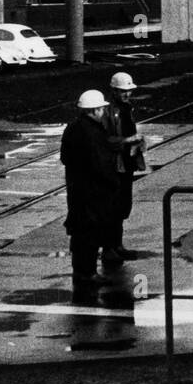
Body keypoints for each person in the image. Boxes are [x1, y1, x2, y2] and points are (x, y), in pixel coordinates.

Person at [61, 89, 122, 301]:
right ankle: (88, 273)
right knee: (91, 233)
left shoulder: (73, 128)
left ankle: (82, 271)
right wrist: (113, 182)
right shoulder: (93, 132)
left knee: (80, 231)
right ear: (94, 110)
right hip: (94, 191)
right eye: (102, 109)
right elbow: (100, 163)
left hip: (76, 188)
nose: (104, 112)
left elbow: (64, 157)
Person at [102, 71, 146, 266]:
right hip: (115, 165)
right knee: (112, 207)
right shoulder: (109, 112)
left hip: (126, 163)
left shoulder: (127, 109)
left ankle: (116, 245)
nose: (127, 95)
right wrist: (128, 140)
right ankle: (109, 248)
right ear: (113, 91)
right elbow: (106, 140)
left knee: (122, 206)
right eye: (123, 91)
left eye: (129, 91)